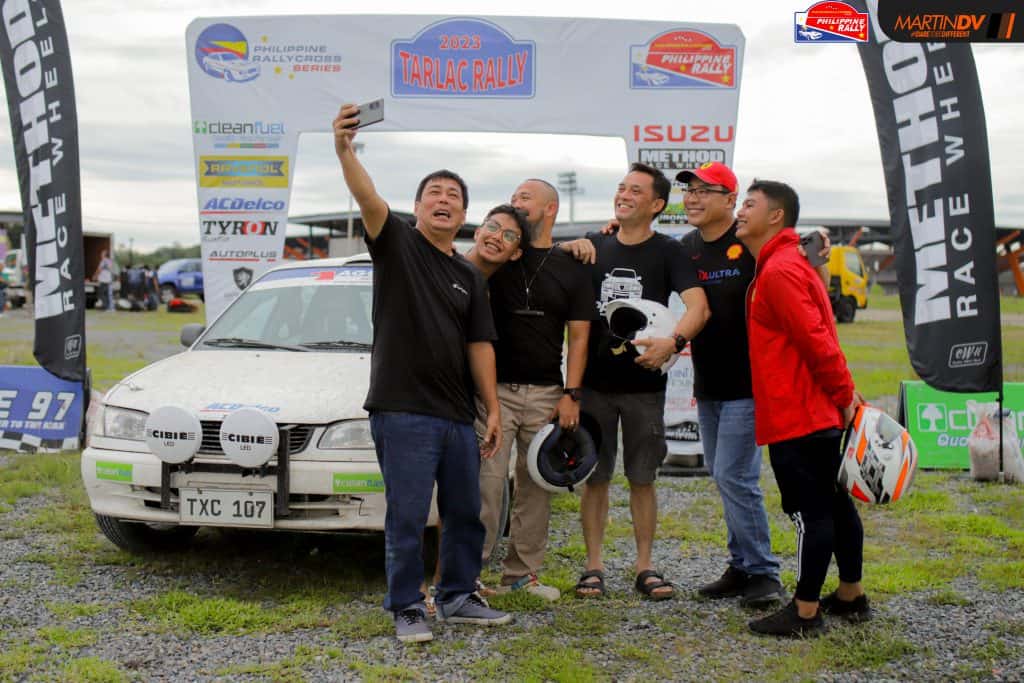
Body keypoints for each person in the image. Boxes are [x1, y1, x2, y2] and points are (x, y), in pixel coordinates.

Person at [333, 102, 512, 644]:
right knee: (408, 516)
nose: (444, 200)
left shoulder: (469, 276)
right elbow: (367, 196)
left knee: (465, 513)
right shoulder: (397, 244)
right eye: (434, 192)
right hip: (403, 410)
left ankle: (457, 596)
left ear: (464, 214)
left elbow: (480, 345)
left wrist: (493, 408)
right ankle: (407, 606)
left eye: (454, 196)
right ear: (416, 208)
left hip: (456, 415)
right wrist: (343, 148)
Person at [735, 179, 868, 637]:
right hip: (810, 409)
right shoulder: (789, 262)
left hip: (800, 413)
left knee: (811, 514)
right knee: (835, 504)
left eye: (749, 204)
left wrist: (845, 394)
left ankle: (805, 611)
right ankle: (850, 595)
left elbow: (817, 341)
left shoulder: (780, 271)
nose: (740, 211)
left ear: (776, 216)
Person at [575, 162, 710, 600]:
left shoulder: (669, 252)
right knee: (595, 477)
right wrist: (572, 244)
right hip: (593, 384)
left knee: (642, 478)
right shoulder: (594, 244)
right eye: (621, 187)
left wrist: (674, 341)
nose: (624, 195)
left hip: (645, 386)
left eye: (636, 190)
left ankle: (645, 566)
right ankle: (593, 566)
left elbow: (698, 307)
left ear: (656, 204)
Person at [473, 179, 594, 602]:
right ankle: (468, 575)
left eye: (525, 197)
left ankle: (521, 575)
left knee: (536, 486)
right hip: (495, 391)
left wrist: (571, 394)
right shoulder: (502, 254)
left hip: (547, 393)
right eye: (513, 197)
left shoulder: (572, 264)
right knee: (487, 483)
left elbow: (579, 336)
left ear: (550, 208)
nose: (516, 202)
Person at [673, 162, 786, 608]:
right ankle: (741, 566)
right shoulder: (686, 247)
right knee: (727, 477)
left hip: (749, 383)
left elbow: (792, 261)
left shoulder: (751, 244)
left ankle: (764, 573)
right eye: (690, 191)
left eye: (705, 190)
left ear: (731, 200)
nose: (693, 198)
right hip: (709, 382)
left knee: (734, 475)